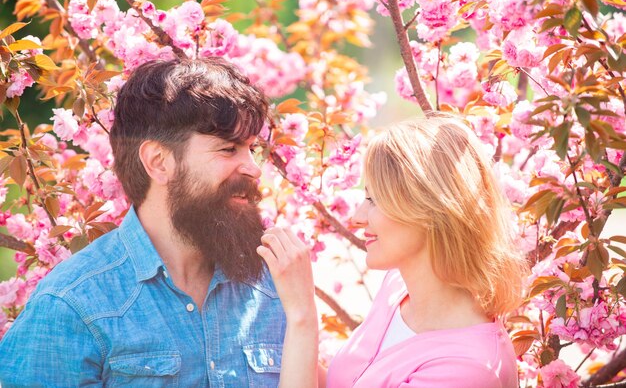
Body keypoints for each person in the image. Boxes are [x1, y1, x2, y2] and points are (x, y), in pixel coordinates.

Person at [0, 57, 316, 387]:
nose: (253, 168)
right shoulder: (71, 306)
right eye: (228, 149)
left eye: (251, 149)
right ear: (159, 162)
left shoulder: (275, 288)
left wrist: (303, 315)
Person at [267, 114, 528, 387]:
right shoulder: (398, 289)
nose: (357, 216)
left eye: (373, 200)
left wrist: (303, 318)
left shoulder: (466, 369)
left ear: (429, 209)